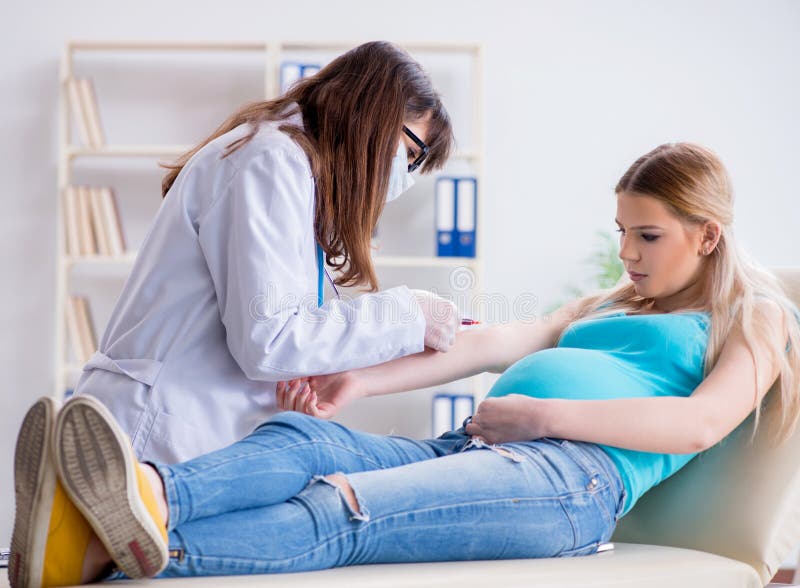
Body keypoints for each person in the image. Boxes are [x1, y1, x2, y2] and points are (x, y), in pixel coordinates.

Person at [11, 143, 799, 587]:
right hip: (480, 450)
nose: (625, 252)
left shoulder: (756, 315)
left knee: (343, 507)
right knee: (301, 441)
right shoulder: (610, 303)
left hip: (570, 482)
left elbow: (700, 424)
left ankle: (99, 555)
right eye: (621, 231)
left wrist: (538, 415)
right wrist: (360, 377)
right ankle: (143, 495)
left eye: (647, 236)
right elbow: (491, 341)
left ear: (707, 235)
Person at [70, 41, 460, 466]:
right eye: (407, 152)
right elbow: (268, 339)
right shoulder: (271, 162)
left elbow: (271, 335)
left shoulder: (293, 172)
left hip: (184, 432)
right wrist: (408, 314)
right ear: (372, 113)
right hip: (148, 430)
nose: (400, 175)